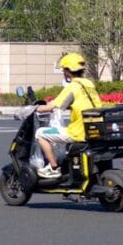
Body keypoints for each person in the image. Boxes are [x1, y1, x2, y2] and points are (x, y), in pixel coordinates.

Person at [34, 52, 102, 180]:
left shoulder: (73, 86)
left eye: (64, 70)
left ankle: (53, 168)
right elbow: (70, 103)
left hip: (77, 132)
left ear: (68, 71)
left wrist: (34, 109)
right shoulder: (89, 84)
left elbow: (52, 106)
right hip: (93, 129)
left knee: (40, 133)